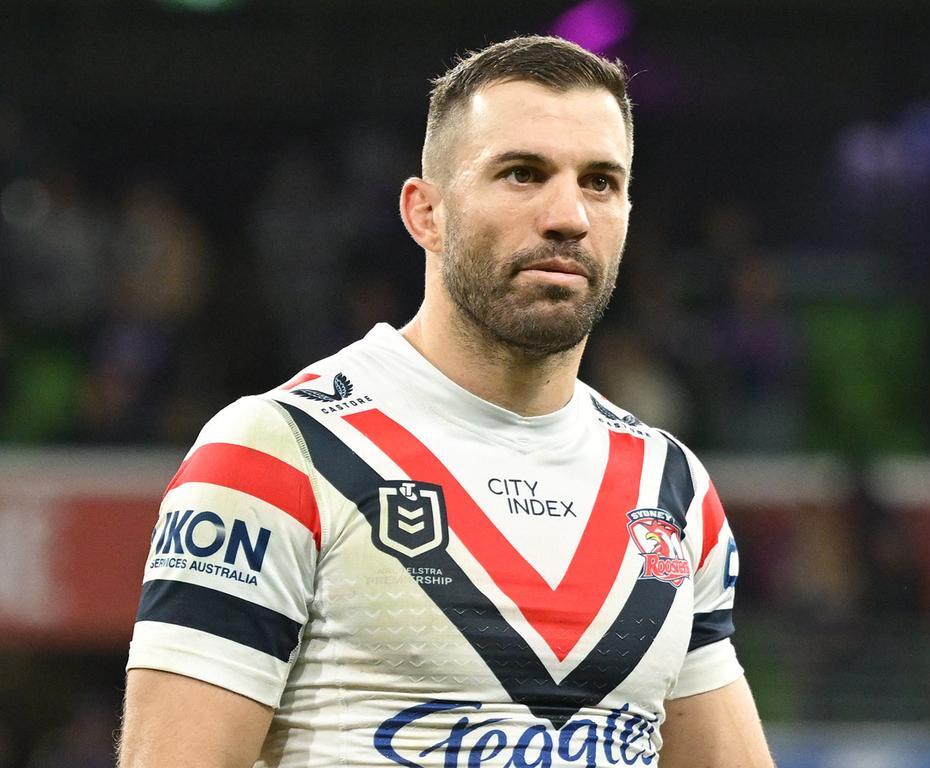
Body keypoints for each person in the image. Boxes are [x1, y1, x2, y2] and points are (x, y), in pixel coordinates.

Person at [118, 35, 775, 768]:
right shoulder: (278, 453)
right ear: (424, 212)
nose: (569, 216)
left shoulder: (671, 489)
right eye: (523, 174)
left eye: (599, 182)